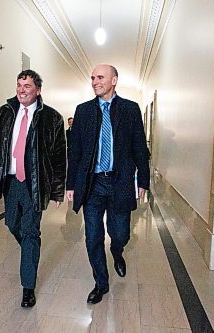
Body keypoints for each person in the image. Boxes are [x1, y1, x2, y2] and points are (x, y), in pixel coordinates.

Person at [0, 70, 66, 308]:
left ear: (38, 90)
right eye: (19, 85)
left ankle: (28, 288)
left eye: (27, 86)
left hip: (34, 183)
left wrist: (58, 190)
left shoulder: (52, 118)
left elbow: (59, 158)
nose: (21, 90)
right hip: (10, 181)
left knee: (29, 232)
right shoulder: (4, 113)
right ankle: (30, 250)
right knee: (12, 224)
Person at [66, 64, 150, 304]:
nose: (95, 81)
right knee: (93, 236)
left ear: (114, 80)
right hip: (92, 183)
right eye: (92, 78)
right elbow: (76, 151)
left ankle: (117, 251)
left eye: (100, 77)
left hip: (120, 182)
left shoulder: (130, 109)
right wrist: (72, 184)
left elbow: (139, 147)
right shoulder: (83, 111)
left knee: (120, 233)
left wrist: (143, 179)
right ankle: (100, 283)